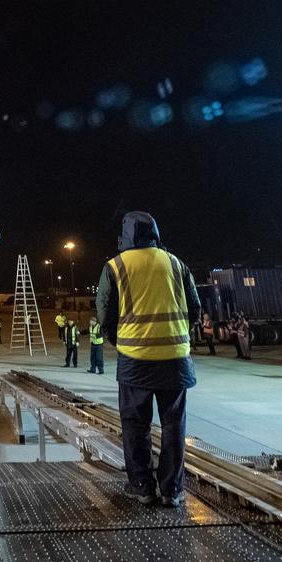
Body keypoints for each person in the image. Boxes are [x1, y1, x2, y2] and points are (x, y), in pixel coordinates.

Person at [97, 210, 201, 508]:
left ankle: (142, 486)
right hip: (175, 360)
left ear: (126, 234)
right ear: (155, 232)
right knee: (173, 427)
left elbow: (105, 314)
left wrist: (123, 342)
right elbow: (194, 307)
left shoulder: (115, 266)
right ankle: (172, 490)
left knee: (135, 426)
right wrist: (176, 335)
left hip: (135, 360)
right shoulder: (176, 263)